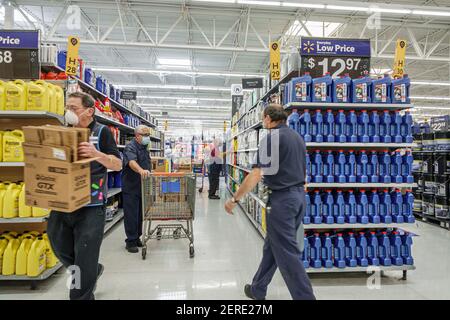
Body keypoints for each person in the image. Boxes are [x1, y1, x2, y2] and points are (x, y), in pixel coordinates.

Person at [224, 104, 316, 300]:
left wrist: (234, 198)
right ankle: (258, 288)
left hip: (282, 201)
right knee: (273, 246)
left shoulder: (272, 138)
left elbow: (257, 173)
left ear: (267, 118)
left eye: (262, 118)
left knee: (288, 255)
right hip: (298, 198)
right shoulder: (296, 137)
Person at [47, 92, 122, 300]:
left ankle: (81, 294)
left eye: (74, 108)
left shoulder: (102, 132)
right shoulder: (63, 132)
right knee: (58, 245)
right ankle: (91, 270)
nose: (69, 113)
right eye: (67, 108)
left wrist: (96, 154)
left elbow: (117, 164)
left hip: (91, 204)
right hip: (62, 202)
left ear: (89, 111)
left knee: (85, 256)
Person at [121, 125, 152, 253]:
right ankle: (130, 241)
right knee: (131, 214)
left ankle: (137, 236)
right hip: (131, 186)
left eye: (148, 135)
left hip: (142, 186)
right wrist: (140, 170)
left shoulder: (144, 147)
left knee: (140, 214)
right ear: (137, 135)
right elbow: (131, 162)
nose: (147, 137)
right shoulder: (130, 147)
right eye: (145, 135)